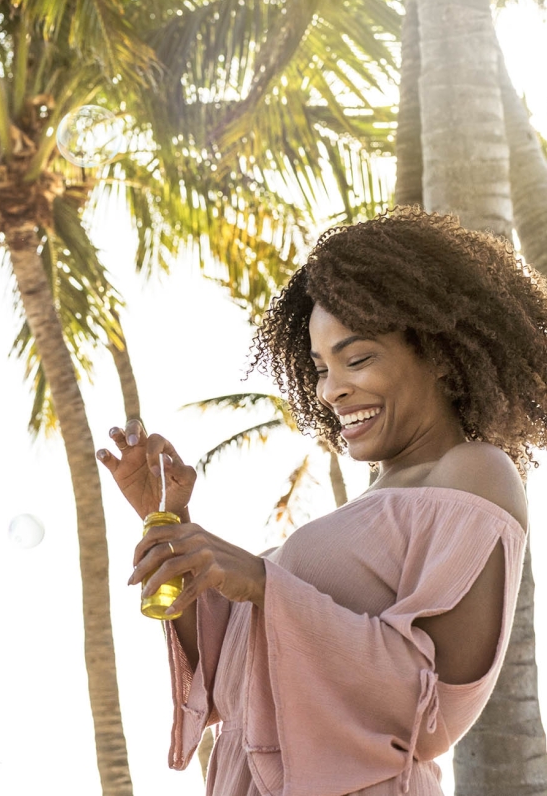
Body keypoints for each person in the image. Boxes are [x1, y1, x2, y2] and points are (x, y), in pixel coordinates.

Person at [96, 209, 547, 795]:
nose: (331, 389)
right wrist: (173, 525)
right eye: (319, 368)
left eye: (357, 359)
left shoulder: (473, 470)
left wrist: (263, 582)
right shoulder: (381, 498)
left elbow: (430, 713)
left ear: (438, 350)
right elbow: (238, 678)